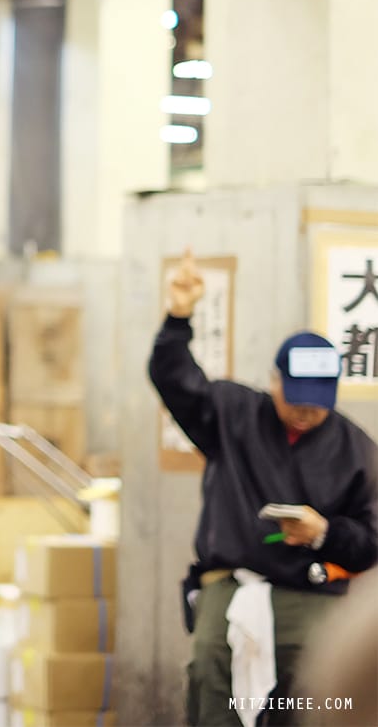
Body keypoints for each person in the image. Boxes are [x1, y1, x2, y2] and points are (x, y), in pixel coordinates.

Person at [151, 249, 378, 726]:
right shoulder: (233, 414)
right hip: (233, 584)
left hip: (313, 590)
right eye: (296, 397)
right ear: (275, 381)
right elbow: (173, 379)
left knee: (316, 688)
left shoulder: (358, 449)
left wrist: (324, 533)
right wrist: (179, 315)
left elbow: (371, 544)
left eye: (318, 403)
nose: (305, 411)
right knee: (211, 670)